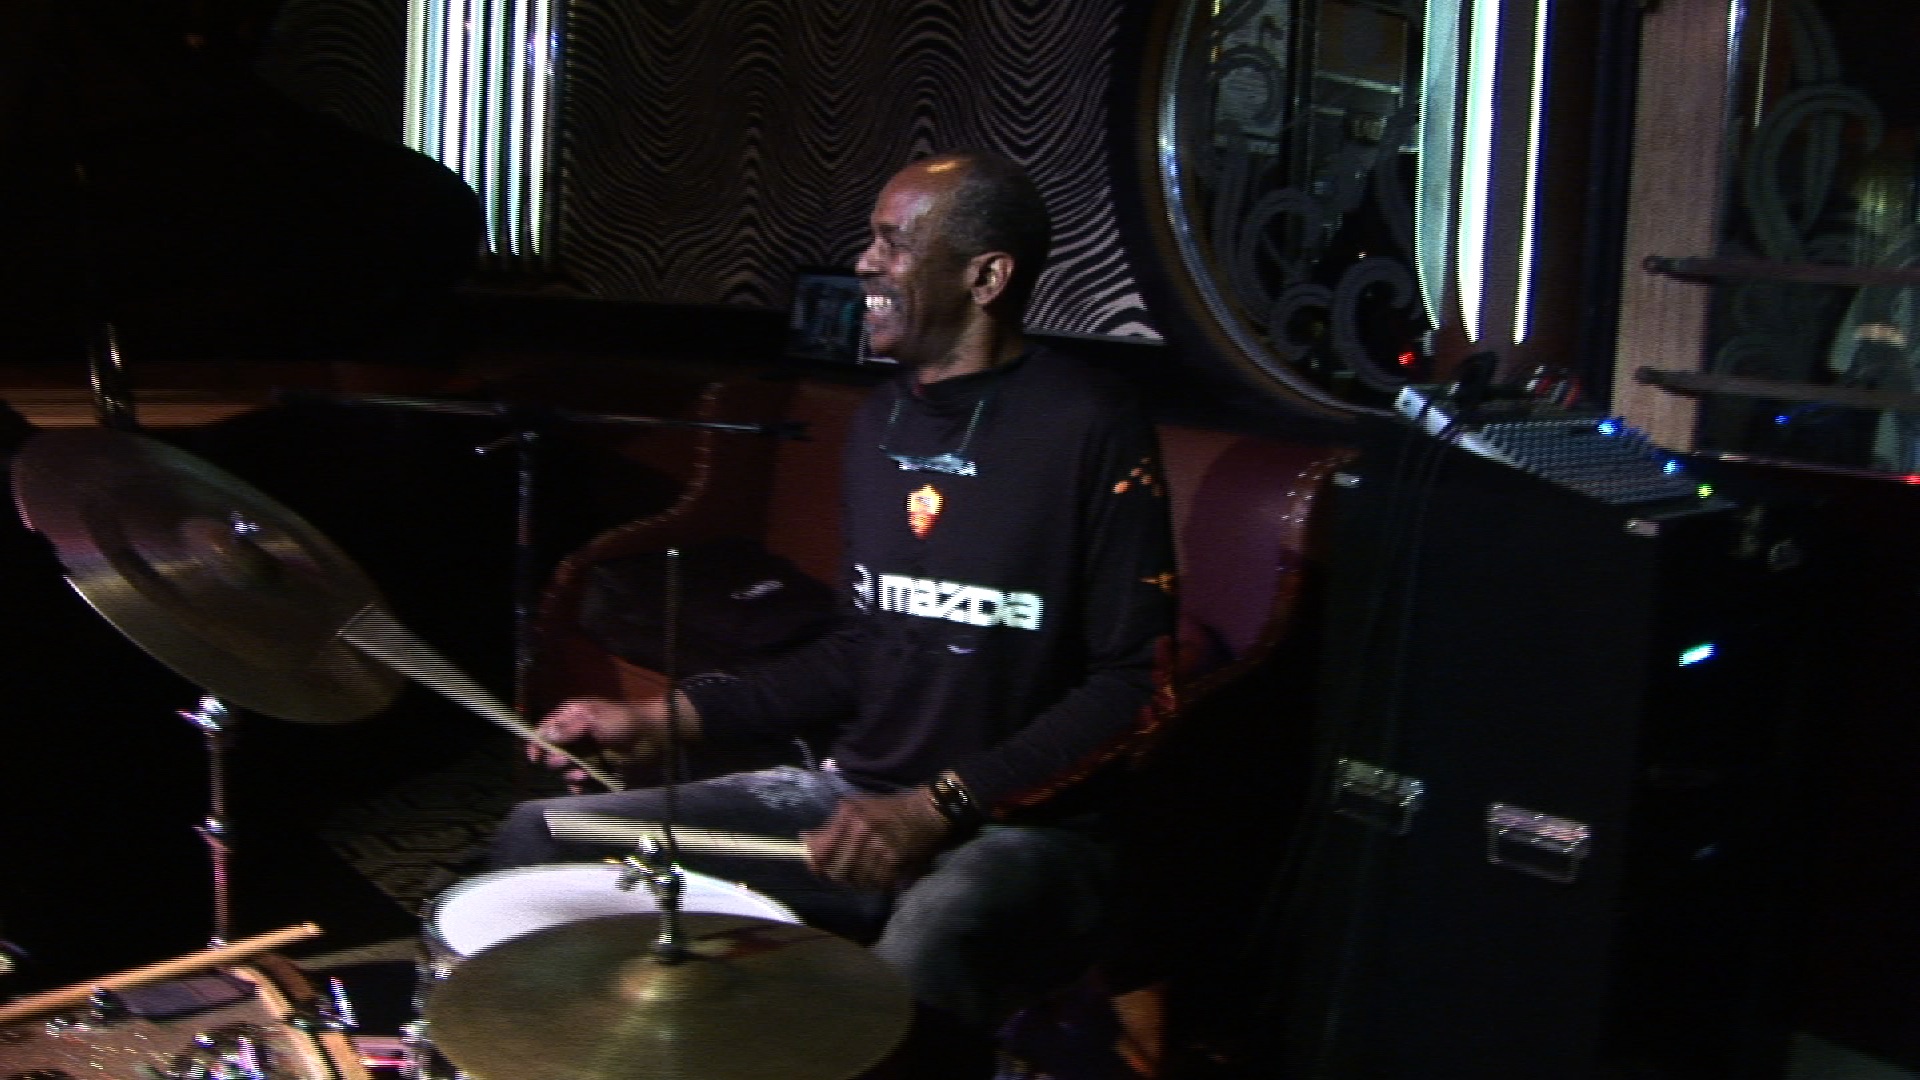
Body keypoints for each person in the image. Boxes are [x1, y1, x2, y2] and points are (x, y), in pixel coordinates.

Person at [491, 149, 1177, 1076]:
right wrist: (660, 716)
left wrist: (937, 805)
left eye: (893, 243)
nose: (863, 263)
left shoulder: (1090, 421)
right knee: (541, 836)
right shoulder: (881, 422)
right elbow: (860, 646)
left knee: (924, 948)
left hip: (1024, 831)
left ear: (985, 277)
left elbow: (1135, 685)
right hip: (853, 797)